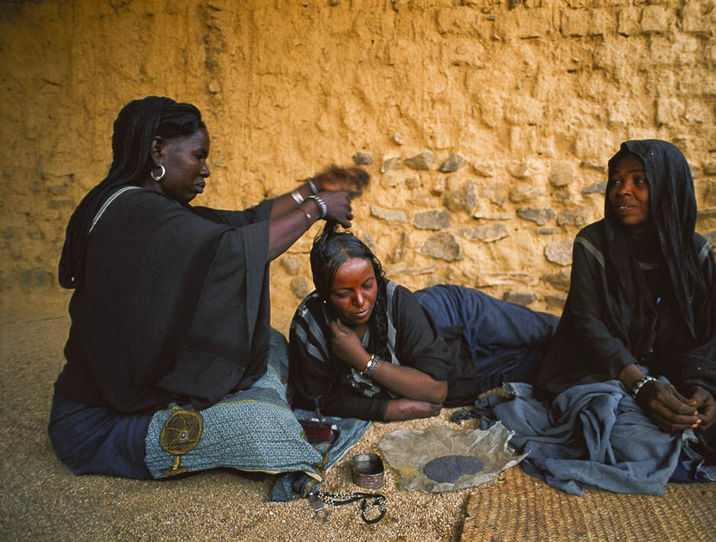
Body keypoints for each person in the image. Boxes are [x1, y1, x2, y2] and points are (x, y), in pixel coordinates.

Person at [49, 96, 367, 479]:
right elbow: (236, 250)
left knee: (272, 345)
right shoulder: (134, 212)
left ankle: (254, 401)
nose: (207, 170)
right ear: (157, 150)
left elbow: (245, 222)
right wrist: (316, 207)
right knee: (259, 427)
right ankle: (261, 415)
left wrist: (312, 188)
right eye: (198, 156)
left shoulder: (147, 205)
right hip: (98, 425)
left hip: (144, 385)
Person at [534, 139, 716, 482]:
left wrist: (704, 390)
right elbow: (588, 325)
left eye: (639, 181)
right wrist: (641, 386)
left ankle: (713, 416)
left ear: (669, 186)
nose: (623, 191)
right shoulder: (592, 243)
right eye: (616, 180)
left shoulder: (696, 253)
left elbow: (712, 336)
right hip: (608, 373)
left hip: (679, 374)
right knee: (618, 435)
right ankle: (690, 439)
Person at [288, 223, 559, 422]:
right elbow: (321, 399)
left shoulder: (397, 300)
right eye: (343, 293)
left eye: (368, 285)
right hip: (462, 370)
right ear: (324, 294)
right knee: (545, 364)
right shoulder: (310, 327)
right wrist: (388, 410)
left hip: (457, 316)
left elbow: (433, 390)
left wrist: (362, 360)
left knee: (552, 331)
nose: (360, 300)